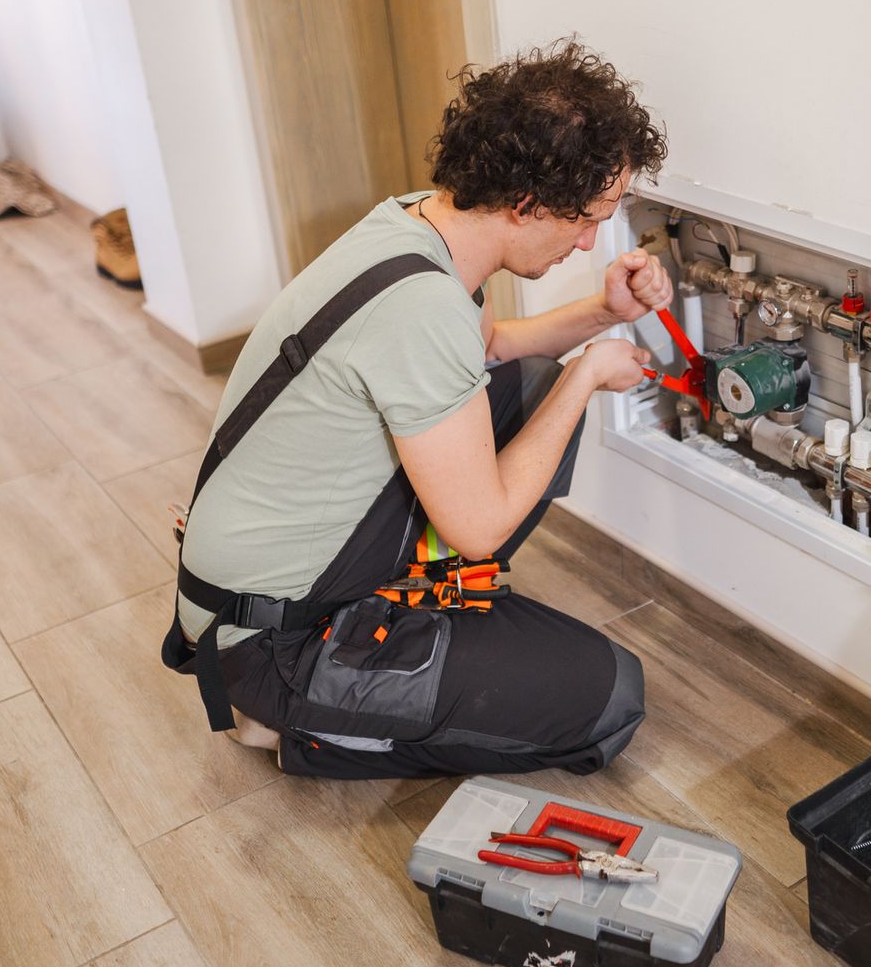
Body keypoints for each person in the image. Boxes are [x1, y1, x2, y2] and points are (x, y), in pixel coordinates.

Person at [161, 40, 671, 779]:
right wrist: (585, 377)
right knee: (609, 699)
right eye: (587, 218)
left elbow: (489, 347)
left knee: (521, 387)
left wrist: (602, 312)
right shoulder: (423, 305)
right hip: (268, 640)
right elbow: (479, 528)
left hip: (262, 580)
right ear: (527, 204)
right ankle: (305, 719)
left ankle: (398, 618)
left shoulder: (418, 228)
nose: (590, 240)